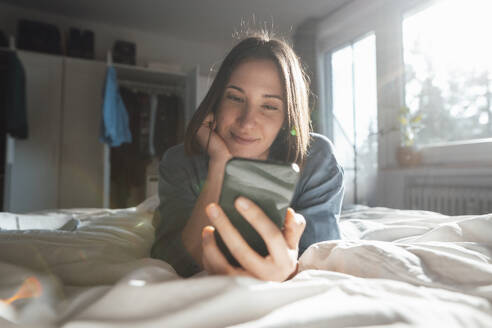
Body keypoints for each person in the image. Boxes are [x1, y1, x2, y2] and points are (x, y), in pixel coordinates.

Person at [151, 31, 344, 281]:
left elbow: (321, 261)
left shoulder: (316, 158)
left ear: (287, 118)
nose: (247, 121)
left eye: (269, 106)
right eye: (235, 97)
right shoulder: (180, 161)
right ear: (216, 102)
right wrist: (220, 164)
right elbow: (172, 260)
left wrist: (291, 270)